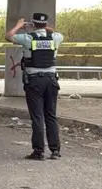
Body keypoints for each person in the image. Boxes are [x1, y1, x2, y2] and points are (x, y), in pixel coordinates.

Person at [6, 12, 63, 160]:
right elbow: (52, 30)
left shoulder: (28, 38)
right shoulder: (56, 38)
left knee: (37, 117)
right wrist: (42, 26)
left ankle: (39, 151)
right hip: (51, 80)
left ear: (33, 23)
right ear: (46, 23)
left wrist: (19, 25)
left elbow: (8, 36)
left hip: (34, 81)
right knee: (51, 115)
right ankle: (55, 151)